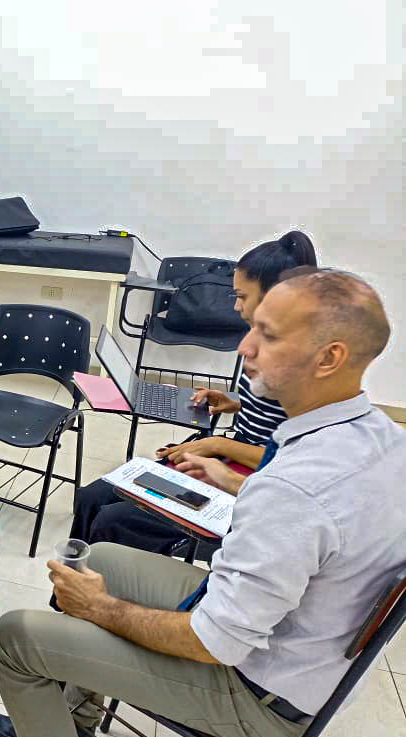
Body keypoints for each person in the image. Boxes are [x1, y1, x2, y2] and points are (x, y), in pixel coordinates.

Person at [0, 268, 406, 737]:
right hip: (293, 642)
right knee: (104, 556)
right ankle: (70, 728)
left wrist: (103, 610)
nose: (246, 348)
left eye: (269, 336)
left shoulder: (296, 488)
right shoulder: (384, 438)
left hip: (256, 693)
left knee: (14, 637)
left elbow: (215, 643)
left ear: (329, 358)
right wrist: (233, 481)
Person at [68, 231, 317, 553]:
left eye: (242, 296)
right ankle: (70, 592)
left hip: (245, 473)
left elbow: (289, 460)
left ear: (275, 297)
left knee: (113, 519)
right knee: (92, 496)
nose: (236, 306)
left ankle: (104, 585)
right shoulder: (263, 341)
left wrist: (214, 444)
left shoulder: (303, 367)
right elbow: (275, 415)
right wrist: (236, 404)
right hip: (227, 452)